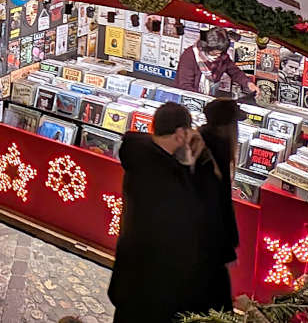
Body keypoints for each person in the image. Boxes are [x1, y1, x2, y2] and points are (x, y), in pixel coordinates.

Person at [109, 102, 215, 323]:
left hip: (129, 279)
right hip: (158, 288)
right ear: (180, 134)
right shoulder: (169, 177)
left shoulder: (138, 154)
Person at [197, 98, 242, 312]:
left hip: (196, 238)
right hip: (207, 241)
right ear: (227, 126)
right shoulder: (217, 152)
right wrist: (228, 247)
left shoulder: (201, 143)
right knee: (215, 298)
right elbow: (219, 203)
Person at [175, 28, 258, 97]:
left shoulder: (223, 56)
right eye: (215, 53)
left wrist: (248, 83)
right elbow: (185, 85)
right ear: (207, 48)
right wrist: (200, 99)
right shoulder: (189, 56)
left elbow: (235, 72)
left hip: (210, 95)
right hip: (189, 97)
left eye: (220, 52)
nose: (218, 55)